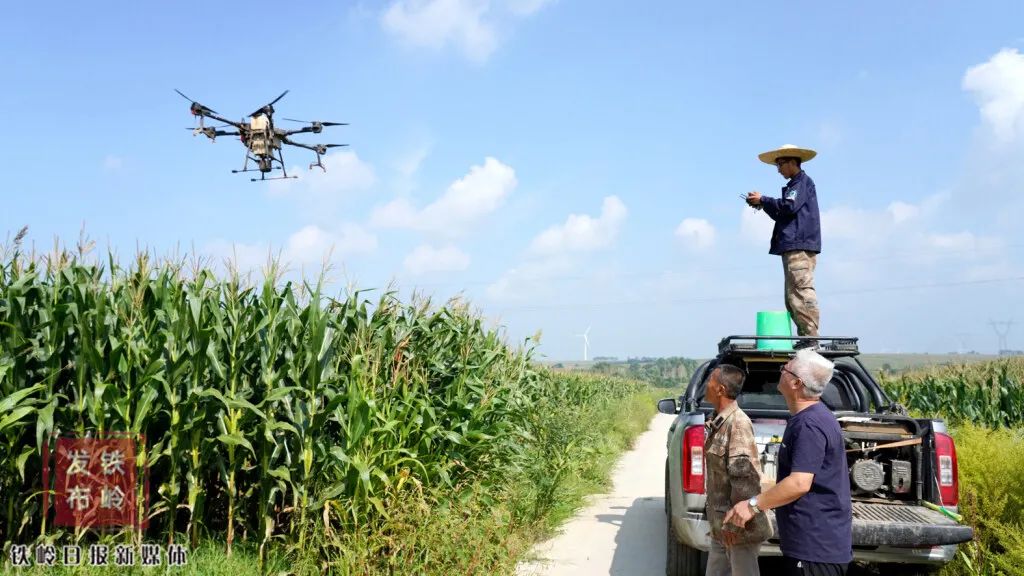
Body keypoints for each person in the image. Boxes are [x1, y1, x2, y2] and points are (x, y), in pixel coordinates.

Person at [723, 349, 852, 576]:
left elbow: (800, 483)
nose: (781, 370)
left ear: (796, 383)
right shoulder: (811, 417)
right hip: (813, 545)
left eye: (786, 368)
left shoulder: (809, 424)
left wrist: (752, 505)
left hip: (815, 549)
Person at [746, 144, 821, 349]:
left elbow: (788, 206)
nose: (778, 169)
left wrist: (764, 199)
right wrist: (762, 204)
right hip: (792, 245)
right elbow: (782, 214)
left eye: (780, 164)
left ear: (791, 162)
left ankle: (811, 339)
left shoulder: (801, 183)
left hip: (799, 245)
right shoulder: (794, 187)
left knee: (801, 291)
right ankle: (807, 339)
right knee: (792, 297)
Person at [703, 364, 772, 576]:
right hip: (721, 525)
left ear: (721, 389)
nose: (706, 384)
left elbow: (745, 481)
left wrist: (735, 525)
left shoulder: (738, 424)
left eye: (710, 381)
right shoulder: (719, 421)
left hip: (738, 530)